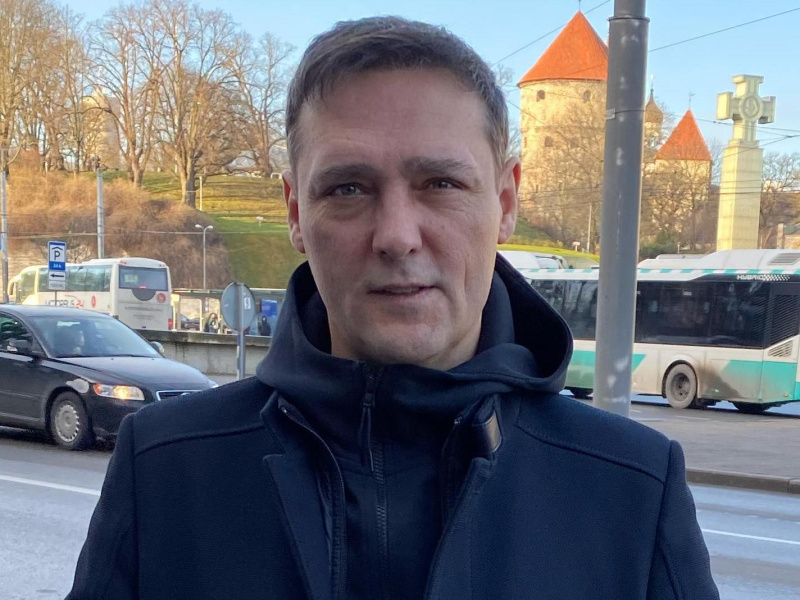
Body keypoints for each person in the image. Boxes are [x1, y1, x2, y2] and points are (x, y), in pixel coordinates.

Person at [67, 16, 719, 600]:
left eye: (441, 183)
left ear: (505, 201)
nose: (397, 236)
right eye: (348, 188)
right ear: (296, 212)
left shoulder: (633, 490)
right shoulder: (165, 469)